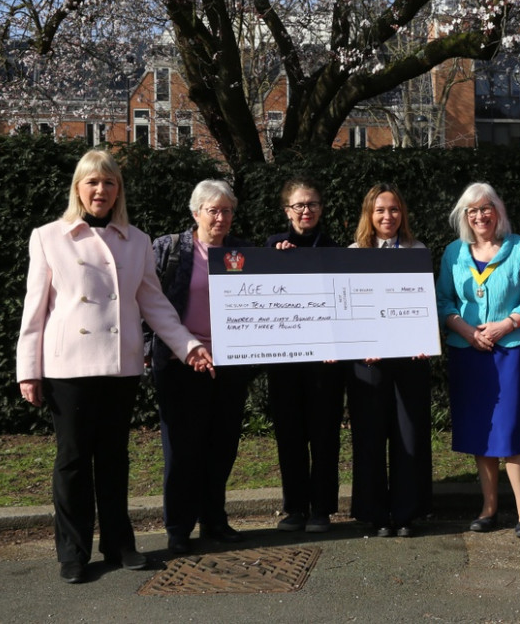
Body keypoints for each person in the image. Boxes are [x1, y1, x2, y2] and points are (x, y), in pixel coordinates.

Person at [16, 150, 212, 584]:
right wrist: (27, 369)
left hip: (119, 365)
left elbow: (155, 303)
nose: (100, 191)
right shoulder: (49, 237)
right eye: (92, 183)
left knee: (113, 458)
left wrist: (188, 346)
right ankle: (73, 550)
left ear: (118, 190)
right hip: (68, 366)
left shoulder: (137, 241)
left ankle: (119, 543)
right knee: (71, 460)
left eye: (109, 183)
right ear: (78, 188)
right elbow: (35, 310)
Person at [436, 182, 520, 539]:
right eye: (472, 211)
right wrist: (469, 332)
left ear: (497, 211)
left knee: (510, 431)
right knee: (481, 431)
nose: (480, 215)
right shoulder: (453, 252)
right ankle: (488, 507)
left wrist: (505, 324)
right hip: (468, 351)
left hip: (511, 350)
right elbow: (443, 302)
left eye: (486, 208)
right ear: (464, 217)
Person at [149, 180, 253, 555]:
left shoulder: (244, 251)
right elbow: (146, 300)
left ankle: (214, 519)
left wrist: (284, 253)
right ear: (196, 213)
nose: (221, 217)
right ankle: (178, 527)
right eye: (213, 210)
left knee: (222, 445)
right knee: (181, 448)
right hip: (180, 362)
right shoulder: (169, 249)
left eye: (227, 210)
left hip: (230, 364)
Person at [346, 183, 433, 537]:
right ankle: (375, 514)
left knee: (409, 434)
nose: (388, 216)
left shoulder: (417, 250)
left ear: (403, 214)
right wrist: (358, 342)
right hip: (368, 362)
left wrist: (423, 336)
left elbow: (423, 303)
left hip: (410, 358)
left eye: (394, 209)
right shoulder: (353, 252)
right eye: (380, 210)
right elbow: (346, 308)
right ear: (369, 214)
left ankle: (406, 513)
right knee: (369, 435)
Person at [266, 177, 345, 533]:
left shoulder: (336, 249)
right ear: (287, 211)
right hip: (284, 363)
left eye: (312, 204)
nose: (306, 211)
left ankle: (322, 509)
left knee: (325, 435)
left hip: (325, 364)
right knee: (290, 435)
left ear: (321, 209)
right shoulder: (270, 248)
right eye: (299, 205)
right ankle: (295, 507)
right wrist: (274, 261)